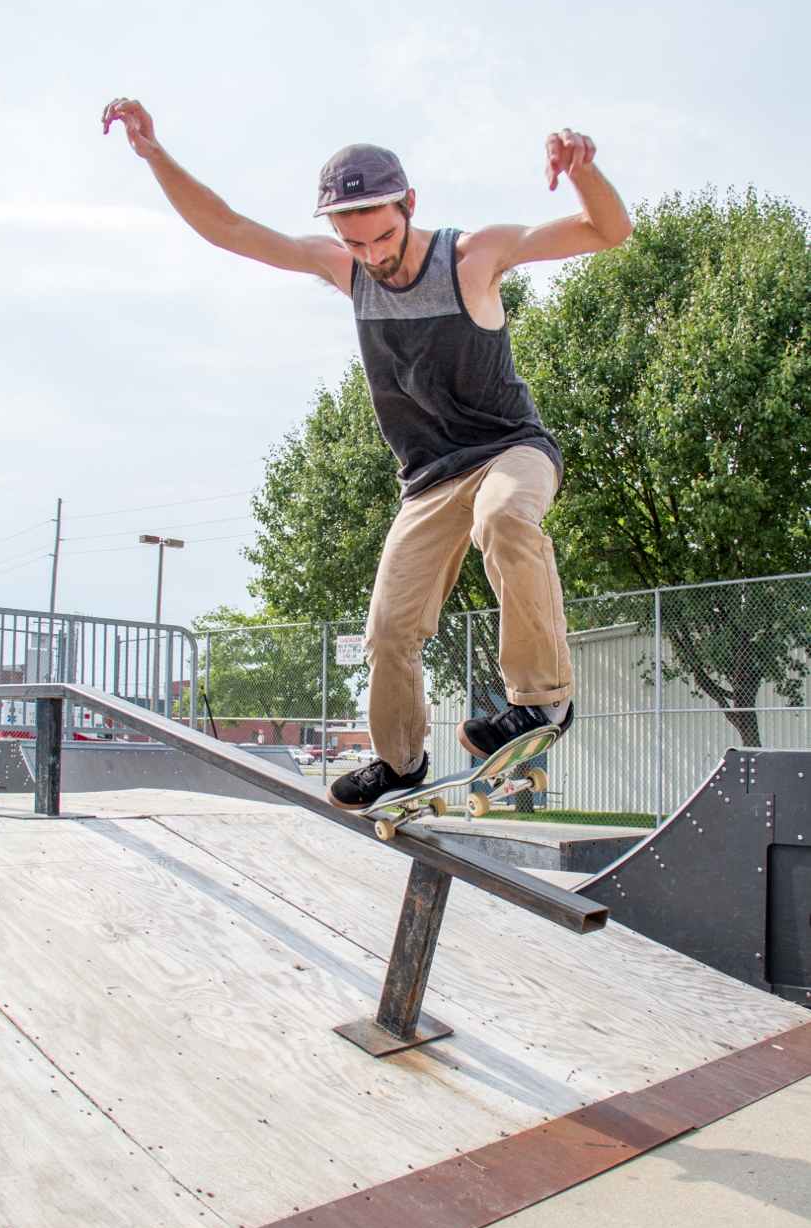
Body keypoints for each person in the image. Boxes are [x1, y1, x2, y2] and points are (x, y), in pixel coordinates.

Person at [102, 99, 632, 810]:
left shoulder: (474, 254)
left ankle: (542, 701)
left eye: (382, 237)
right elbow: (226, 227)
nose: (373, 257)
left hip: (510, 450)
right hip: (427, 481)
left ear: (409, 205)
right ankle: (400, 763)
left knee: (504, 520)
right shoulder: (344, 268)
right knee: (387, 633)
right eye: (355, 244)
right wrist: (154, 154)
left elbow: (609, 229)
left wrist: (585, 171)